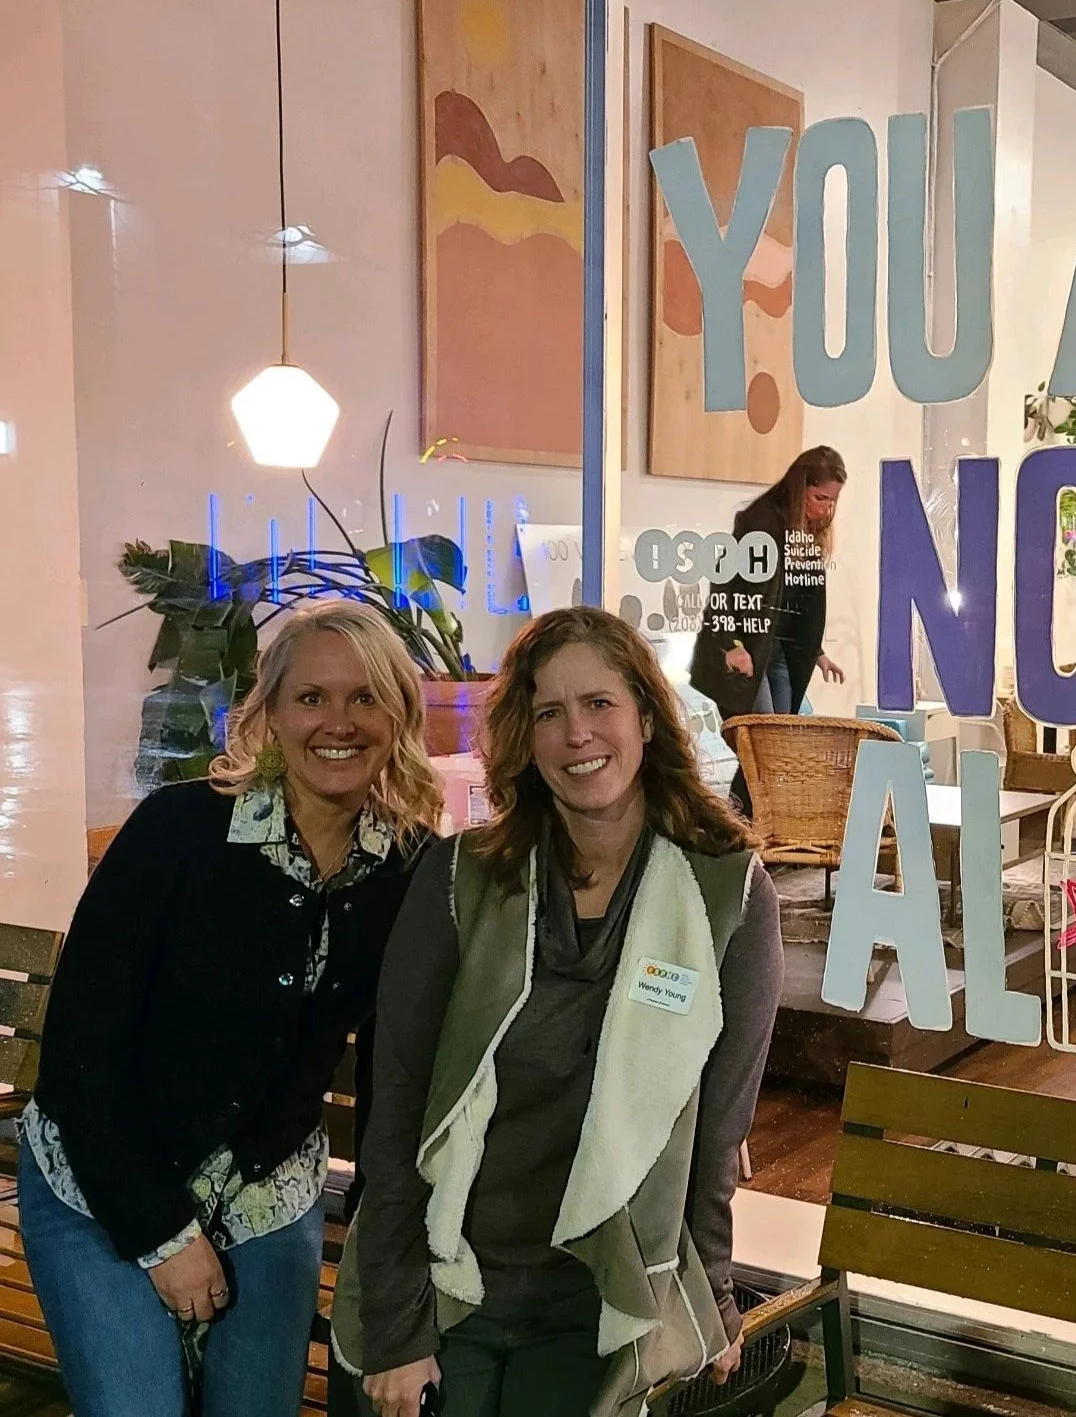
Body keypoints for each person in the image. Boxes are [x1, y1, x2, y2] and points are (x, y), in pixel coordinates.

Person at [334, 607, 783, 1417]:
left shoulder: (727, 893)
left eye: (599, 704)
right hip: (452, 1282)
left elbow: (719, 1128)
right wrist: (398, 1327)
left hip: (600, 1301)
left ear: (646, 716)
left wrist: (711, 1287)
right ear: (525, 737)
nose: (577, 734)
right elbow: (398, 1107)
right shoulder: (460, 877)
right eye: (549, 712)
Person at [19, 600, 444, 1417]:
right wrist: (164, 1236)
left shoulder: (407, 869)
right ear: (271, 712)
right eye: (312, 697)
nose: (339, 722)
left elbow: (400, 1079)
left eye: (366, 698)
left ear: (399, 714)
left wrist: (390, 1261)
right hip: (105, 1174)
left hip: (265, 1191)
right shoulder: (179, 829)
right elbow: (79, 1052)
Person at [689, 445, 849, 727]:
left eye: (832, 501)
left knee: (778, 734)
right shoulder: (760, 522)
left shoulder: (805, 534)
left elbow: (795, 600)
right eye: (820, 498)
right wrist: (732, 646)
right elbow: (723, 586)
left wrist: (816, 652)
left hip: (775, 647)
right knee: (764, 734)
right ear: (800, 490)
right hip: (749, 644)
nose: (827, 509)